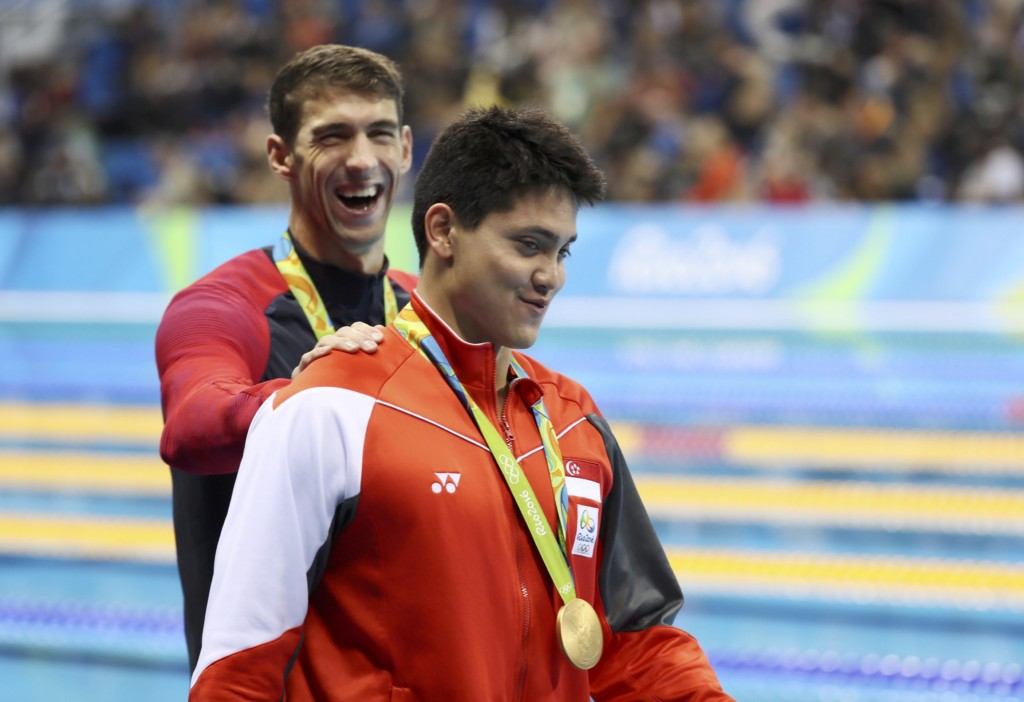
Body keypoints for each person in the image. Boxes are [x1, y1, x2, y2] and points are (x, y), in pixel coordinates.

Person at [189, 105, 734, 701]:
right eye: (529, 244)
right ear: (443, 230)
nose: (550, 276)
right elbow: (239, 668)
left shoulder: (574, 417)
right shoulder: (332, 407)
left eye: (562, 252)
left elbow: (637, 640)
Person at [154, 43, 415, 673]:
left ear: (406, 149)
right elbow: (192, 427)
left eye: (379, 133)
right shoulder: (224, 305)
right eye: (332, 137)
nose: (362, 159)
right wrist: (301, 401)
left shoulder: (423, 314)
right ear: (281, 156)